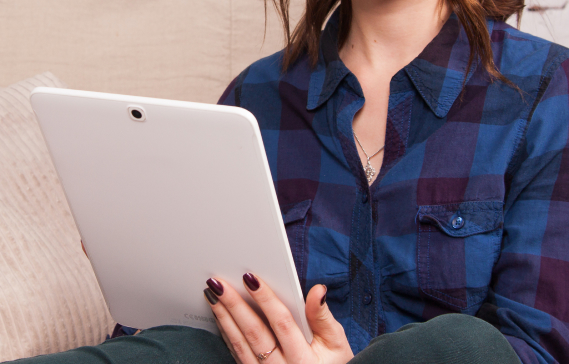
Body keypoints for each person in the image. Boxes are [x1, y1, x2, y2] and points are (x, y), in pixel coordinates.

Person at [9, 0, 569, 362]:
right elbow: (179, 324)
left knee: (461, 347)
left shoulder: (546, 89)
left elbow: (539, 347)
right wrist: (137, 259)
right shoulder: (252, 100)